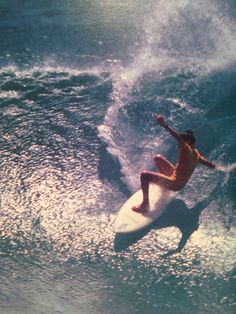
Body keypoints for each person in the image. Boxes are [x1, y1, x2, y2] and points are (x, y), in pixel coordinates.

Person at [132, 115, 216, 213]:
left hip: (175, 184)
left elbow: (178, 137)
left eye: (181, 142)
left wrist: (165, 125)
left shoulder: (186, 149)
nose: (178, 144)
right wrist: (226, 168)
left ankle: (145, 205)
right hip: (176, 178)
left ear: (187, 142)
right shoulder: (196, 153)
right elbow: (210, 165)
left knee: (144, 175)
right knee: (157, 158)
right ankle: (164, 186)